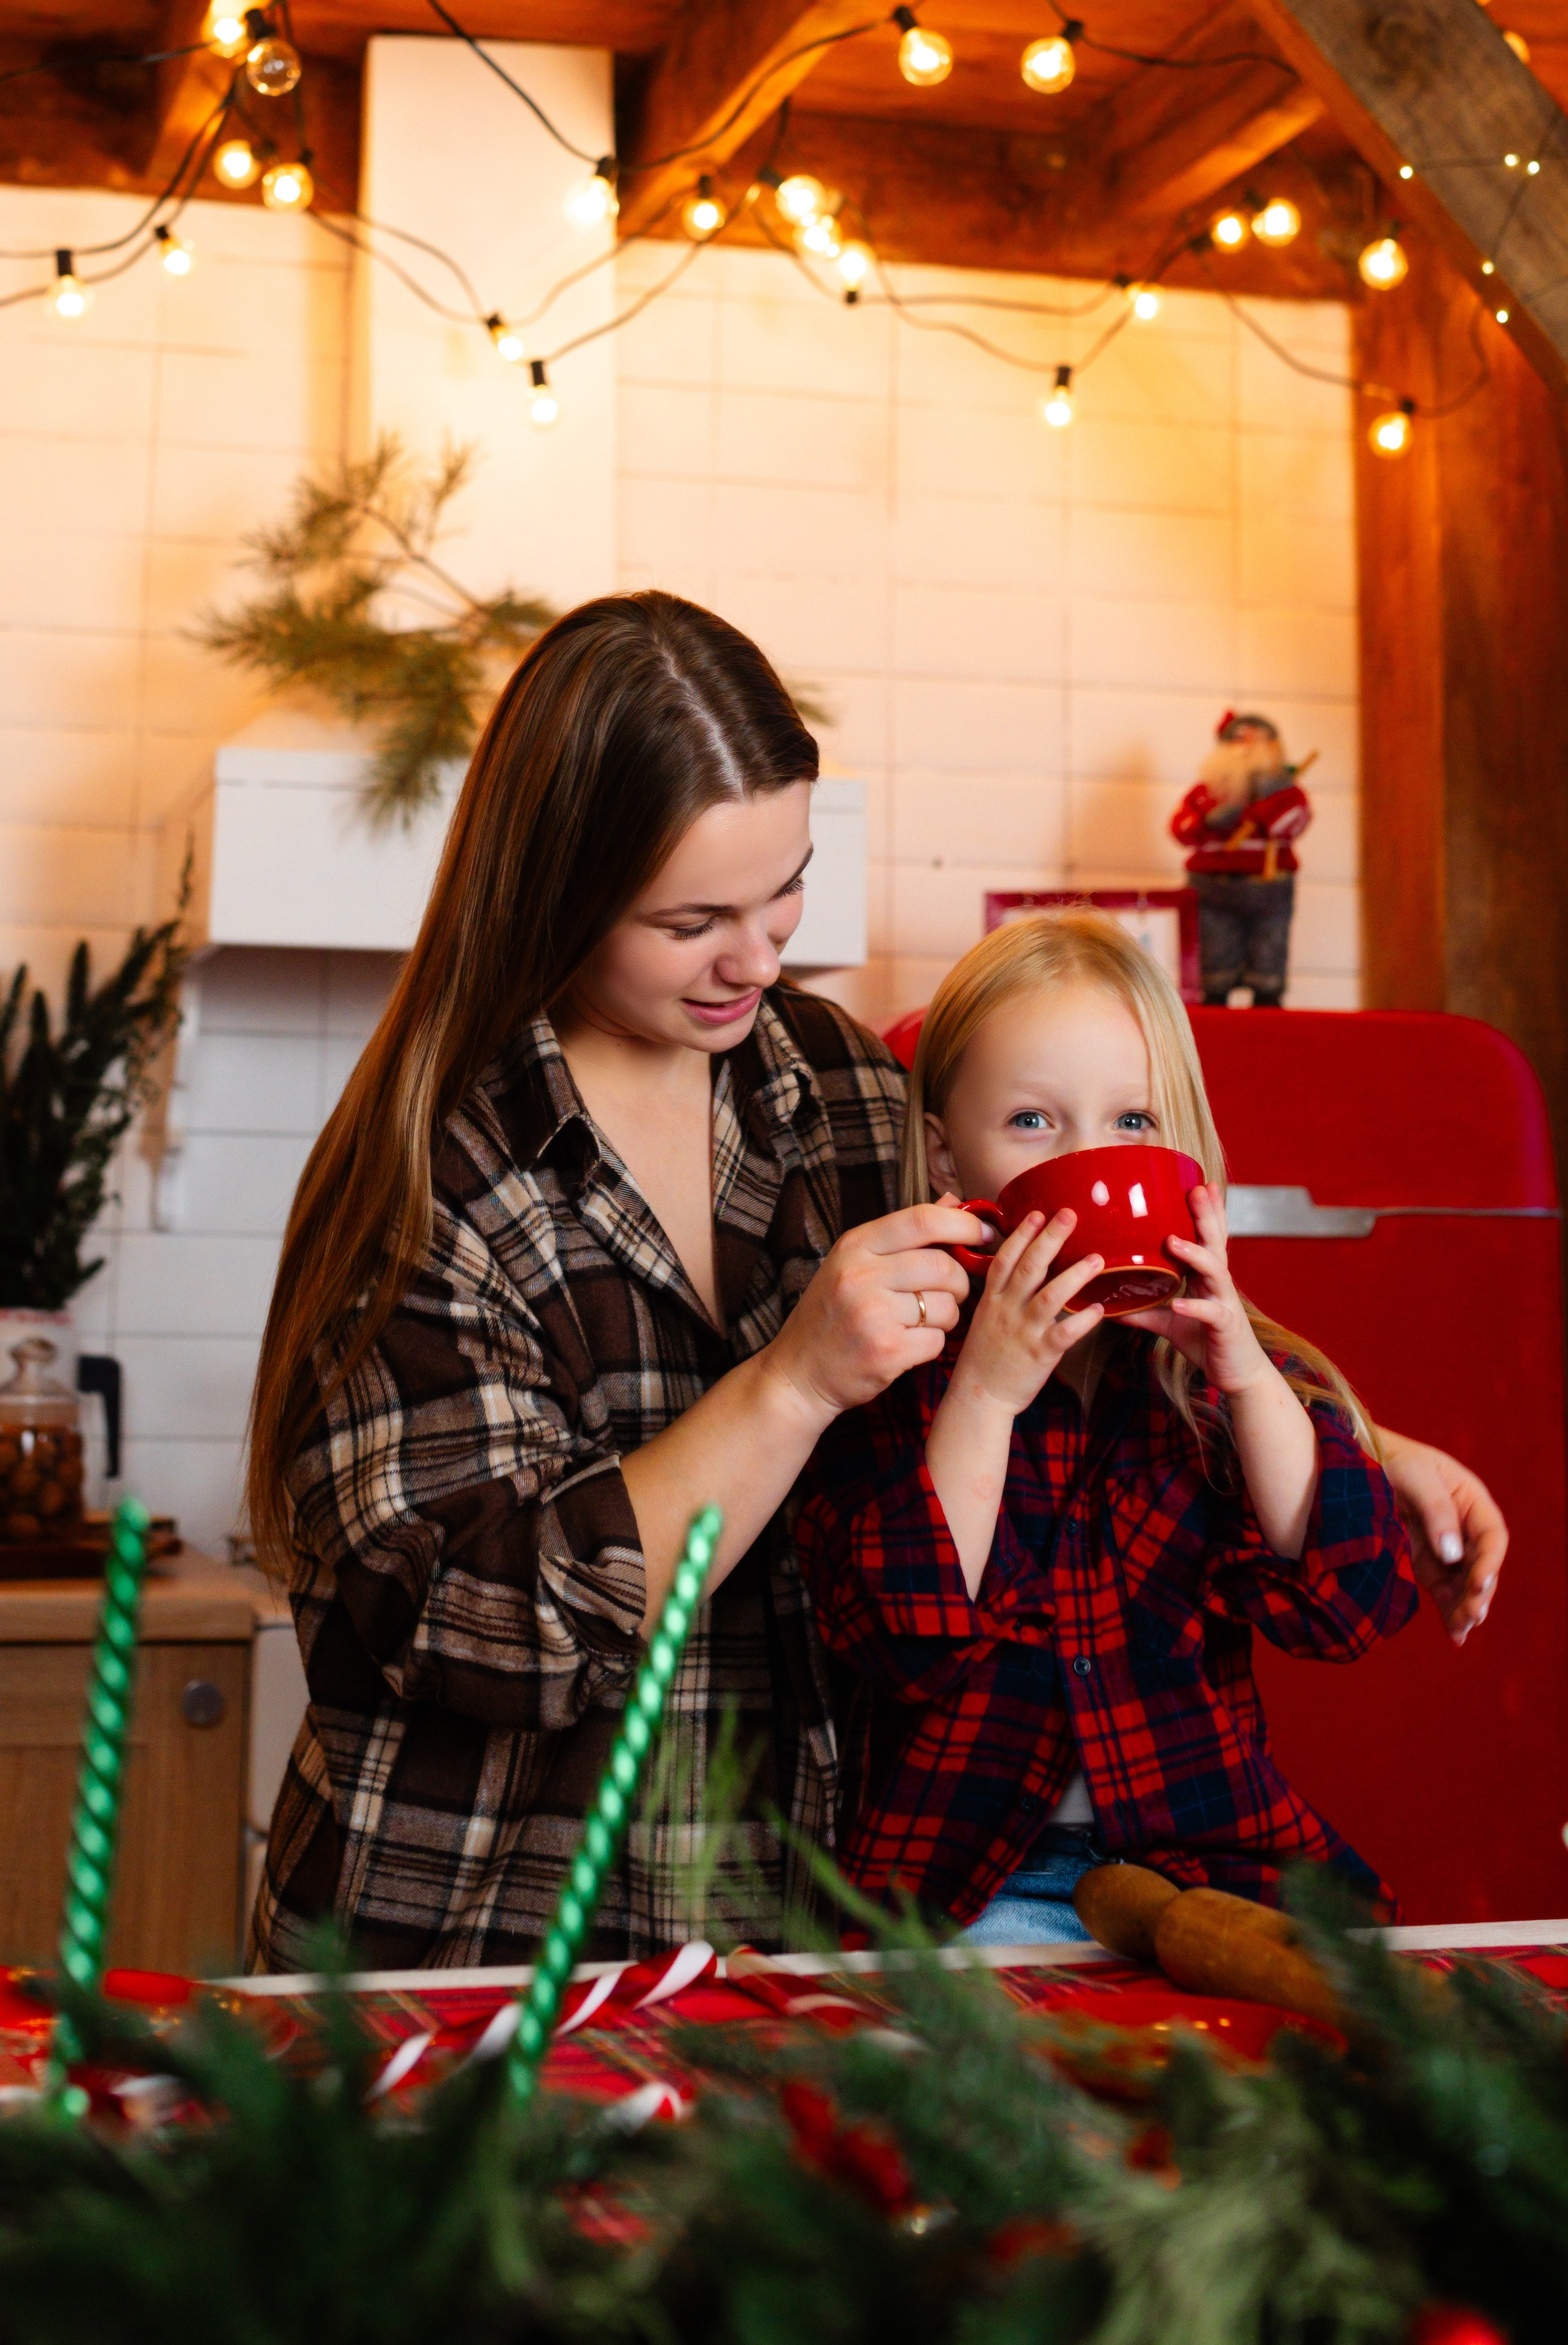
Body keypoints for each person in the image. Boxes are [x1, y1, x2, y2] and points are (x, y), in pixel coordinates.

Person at [245, 591, 1506, 1973]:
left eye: (783, 884)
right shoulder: (428, 1176)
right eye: (691, 919)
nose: (758, 951)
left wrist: (1367, 1445)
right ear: (560, 891)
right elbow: (484, 1634)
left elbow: (1083, 1302)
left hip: (774, 1924)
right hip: (479, 1930)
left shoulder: (834, 1086)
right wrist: (790, 1382)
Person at [796, 912, 1418, 1944]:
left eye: (1130, 1123)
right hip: (975, 1890)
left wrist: (1244, 1373)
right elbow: (898, 1636)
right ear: (950, 1162)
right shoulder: (893, 1367)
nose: (1091, 1160)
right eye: (1033, 1123)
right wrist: (986, 1398)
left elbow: (1350, 1603)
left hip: (1215, 1868)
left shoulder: (1215, 1380)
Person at [1172, 710, 1313, 1007]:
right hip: (1212, 888)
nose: (1247, 747)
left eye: (1257, 741)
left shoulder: (1287, 795)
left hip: (1269, 887)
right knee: (1214, 958)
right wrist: (1207, 822)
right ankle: (1215, 1011)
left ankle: (1267, 1012)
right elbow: (1181, 830)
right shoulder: (1204, 794)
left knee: (1268, 953)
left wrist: (1270, 808)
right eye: (1239, 741)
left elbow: (1292, 826)